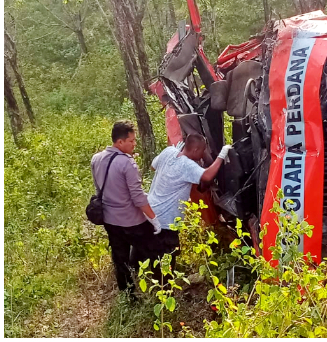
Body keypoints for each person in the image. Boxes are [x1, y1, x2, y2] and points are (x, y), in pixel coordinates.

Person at [91, 120, 162, 298]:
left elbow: (98, 189)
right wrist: (153, 218)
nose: (134, 144)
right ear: (119, 142)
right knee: (152, 252)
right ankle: (161, 288)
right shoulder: (127, 163)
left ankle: (128, 295)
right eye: (131, 141)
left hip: (110, 220)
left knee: (119, 258)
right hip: (132, 221)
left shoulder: (96, 159)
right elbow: (138, 197)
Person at [148, 134, 231, 274]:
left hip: (150, 212)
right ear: (195, 149)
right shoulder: (187, 165)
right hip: (166, 220)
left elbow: (153, 166)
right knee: (168, 256)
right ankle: (165, 289)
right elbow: (207, 176)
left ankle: (145, 283)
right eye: (202, 150)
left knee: (152, 252)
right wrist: (222, 155)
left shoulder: (169, 152)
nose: (203, 154)